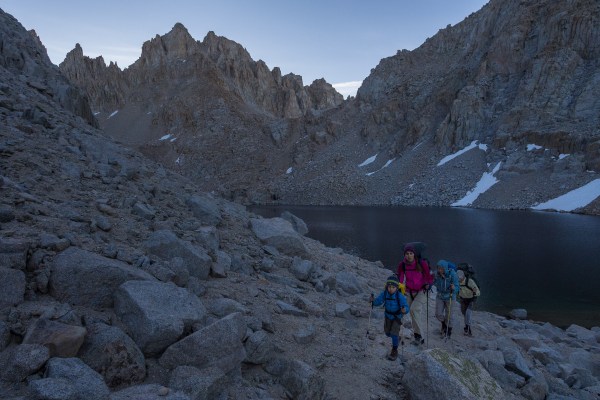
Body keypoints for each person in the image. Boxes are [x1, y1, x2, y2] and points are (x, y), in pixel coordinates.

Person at [396, 244, 433, 345]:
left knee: (414, 309)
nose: (408, 255)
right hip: (408, 291)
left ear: (414, 254)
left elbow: (429, 276)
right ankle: (398, 333)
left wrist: (428, 284)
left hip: (422, 291)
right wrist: (399, 286)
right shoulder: (402, 265)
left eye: (411, 253)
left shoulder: (422, 263)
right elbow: (400, 276)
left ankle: (419, 336)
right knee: (402, 309)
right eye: (407, 254)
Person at [370, 275, 409, 361]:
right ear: (387, 286)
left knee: (394, 334)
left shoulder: (400, 296)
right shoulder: (384, 293)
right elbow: (379, 301)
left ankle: (394, 350)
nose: (391, 289)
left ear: (396, 287)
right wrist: (373, 302)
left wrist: (404, 310)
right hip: (387, 316)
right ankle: (396, 338)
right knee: (387, 333)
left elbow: (406, 307)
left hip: (397, 317)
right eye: (389, 287)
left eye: (393, 287)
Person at [433, 260, 459, 338]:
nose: (439, 270)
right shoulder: (437, 275)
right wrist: (428, 285)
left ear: (445, 268)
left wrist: (454, 288)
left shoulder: (452, 274)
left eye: (441, 268)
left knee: (449, 315)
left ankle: (449, 330)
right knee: (438, 314)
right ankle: (444, 324)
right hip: (440, 296)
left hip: (450, 296)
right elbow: (432, 281)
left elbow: (457, 287)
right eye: (438, 268)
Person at [457, 269, 480, 336]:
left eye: (460, 278)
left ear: (463, 276)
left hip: (471, 300)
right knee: (464, 313)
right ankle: (467, 326)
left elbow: (478, 292)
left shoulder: (470, 281)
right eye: (458, 278)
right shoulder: (457, 282)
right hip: (463, 299)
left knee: (468, 314)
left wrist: (475, 292)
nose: (459, 280)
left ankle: (468, 329)